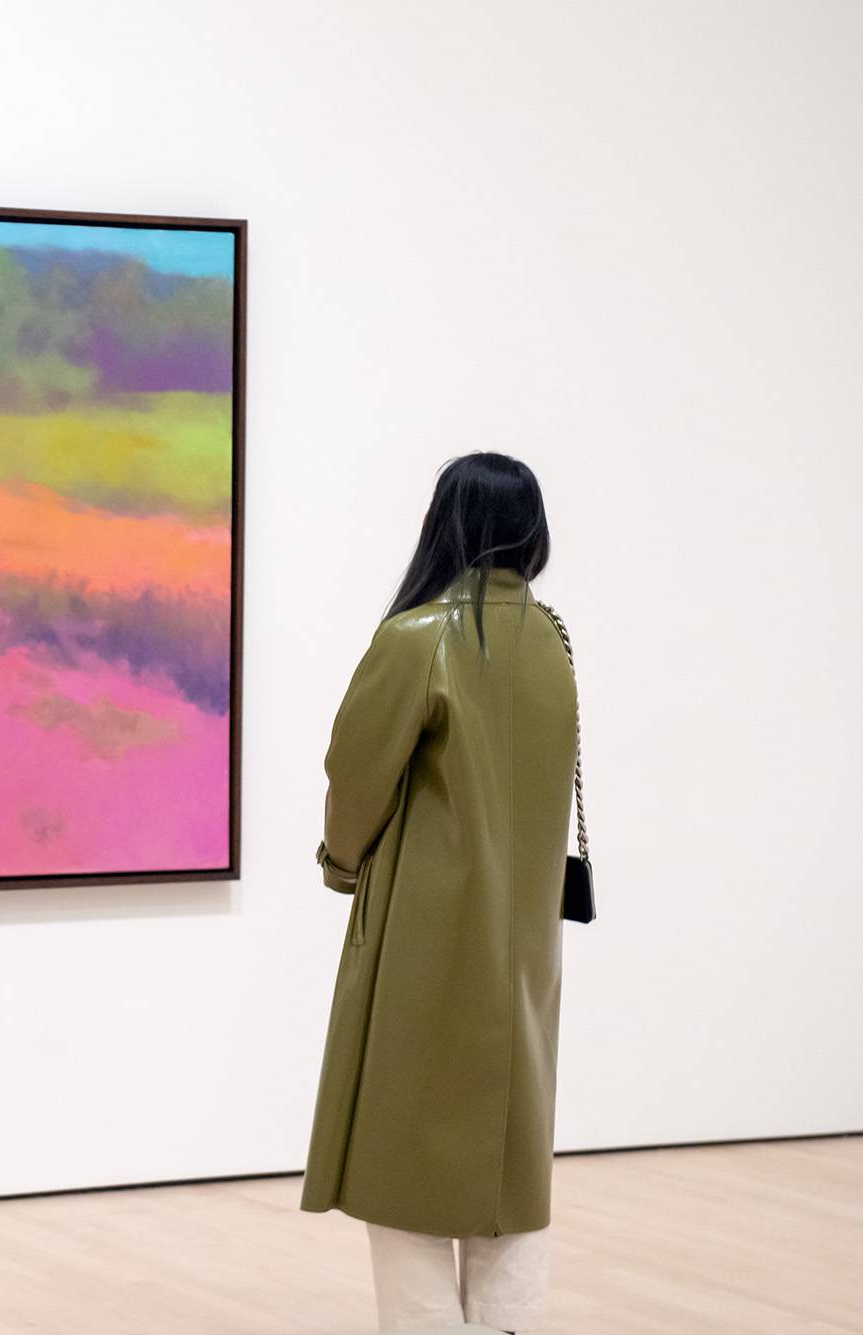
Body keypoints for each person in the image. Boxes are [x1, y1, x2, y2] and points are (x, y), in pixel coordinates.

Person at [297, 452, 579, 1333]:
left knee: (403, 1163)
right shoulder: (553, 638)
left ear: (444, 522)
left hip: (423, 938)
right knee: (510, 1166)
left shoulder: (418, 637)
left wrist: (342, 864)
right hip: (526, 949)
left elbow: (355, 776)